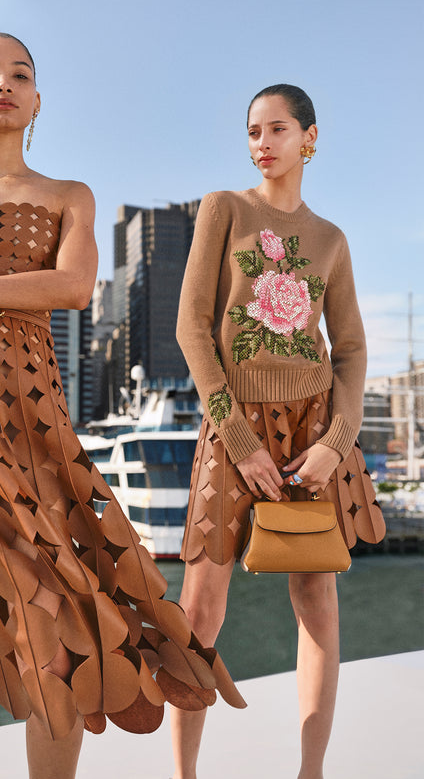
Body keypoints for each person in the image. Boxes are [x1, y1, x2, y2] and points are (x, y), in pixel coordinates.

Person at [0, 33, 246, 779]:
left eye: (21, 75)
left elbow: (67, 289)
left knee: (61, 622)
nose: (4, 83)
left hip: (26, 411)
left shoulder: (70, 195)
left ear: (37, 102)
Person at [171, 84, 386, 779]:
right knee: (199, 608)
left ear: (310, 139)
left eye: (278, 129)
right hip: (234, 424)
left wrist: (335, 442)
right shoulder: (224, 210)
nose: (262, 143)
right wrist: (238, 439)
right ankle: (183, 775)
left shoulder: (331, 240)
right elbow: (191, 329)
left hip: (314, 432)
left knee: (316, 600)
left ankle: (310, 771)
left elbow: (350, 350)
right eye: (253, 131)